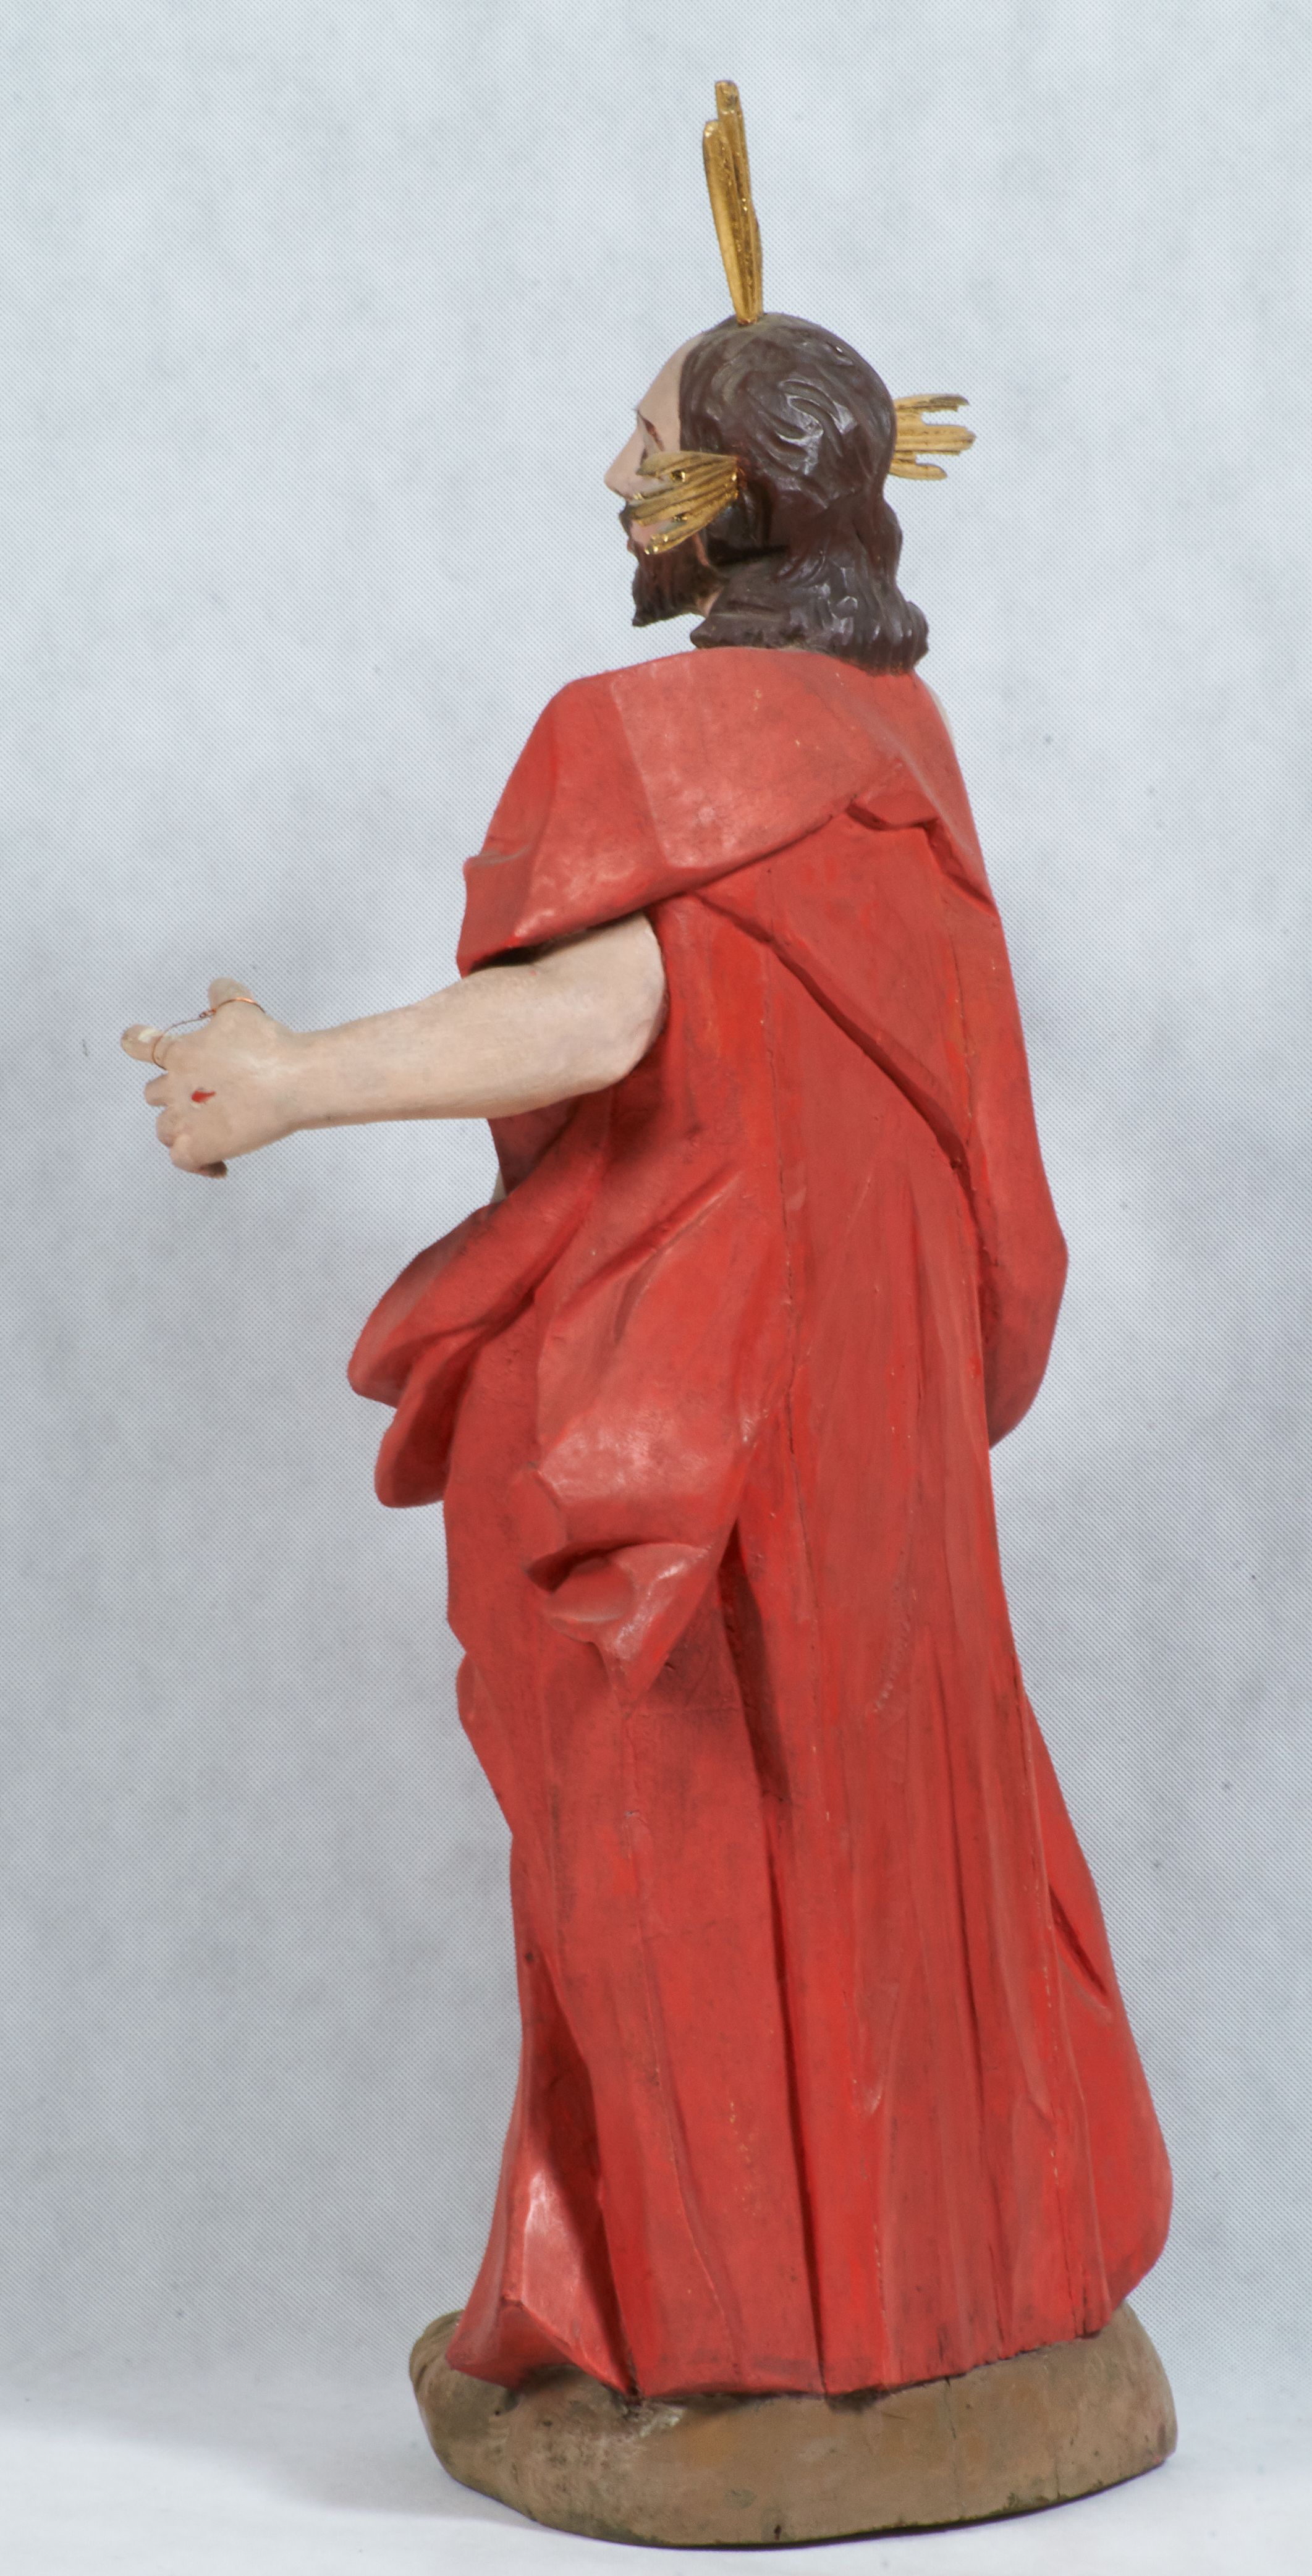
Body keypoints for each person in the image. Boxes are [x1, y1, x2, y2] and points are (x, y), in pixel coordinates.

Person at [124, 89, 1169, 2405]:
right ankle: (941, 2288)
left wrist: (286, 1079)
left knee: (684, 1817)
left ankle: (732, 2322)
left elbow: (603, 1013)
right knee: (875, 1801)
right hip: (881, 1399)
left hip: (718, 1397)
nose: (609, 475)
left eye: (645, 440)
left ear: (729, 495)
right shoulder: (901, 739)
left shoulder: (647, 737)